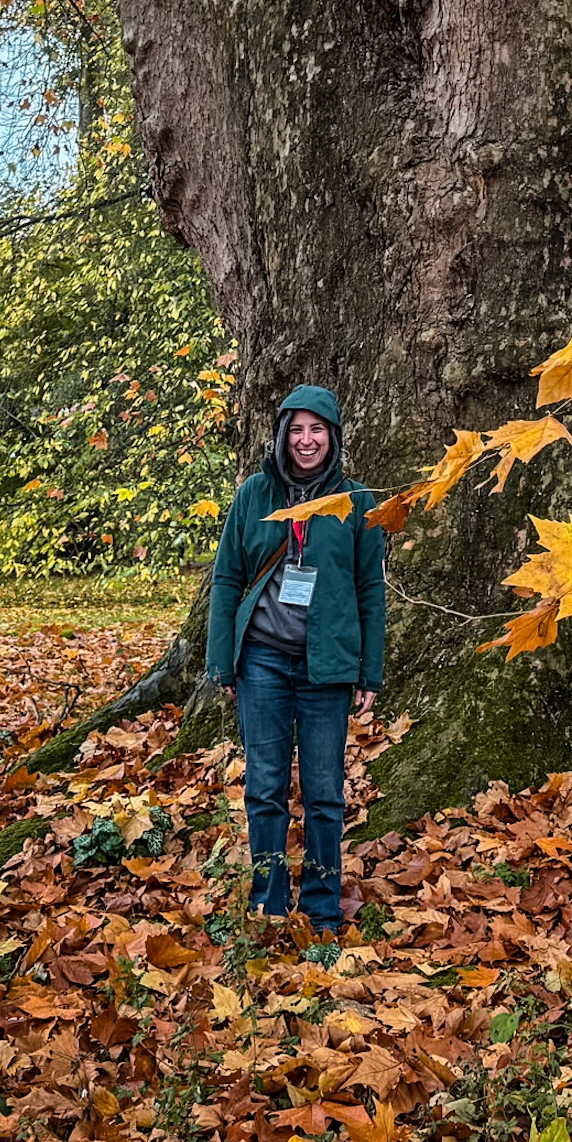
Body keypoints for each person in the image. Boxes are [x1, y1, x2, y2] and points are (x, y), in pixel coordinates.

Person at [205, 385, 384, 935]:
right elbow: (227, 578)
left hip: (327, 667)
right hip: (262, 661)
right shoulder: (254, 495)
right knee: (265, 788)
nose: (307, 441)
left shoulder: (357, 502)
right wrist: (222, 663)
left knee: (325, 793)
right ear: (283, 435)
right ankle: (270, 902)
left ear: (334, 436)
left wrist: (370, 670)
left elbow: (370, 589)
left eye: (317, 429)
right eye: (297, 430)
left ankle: (323, 908)